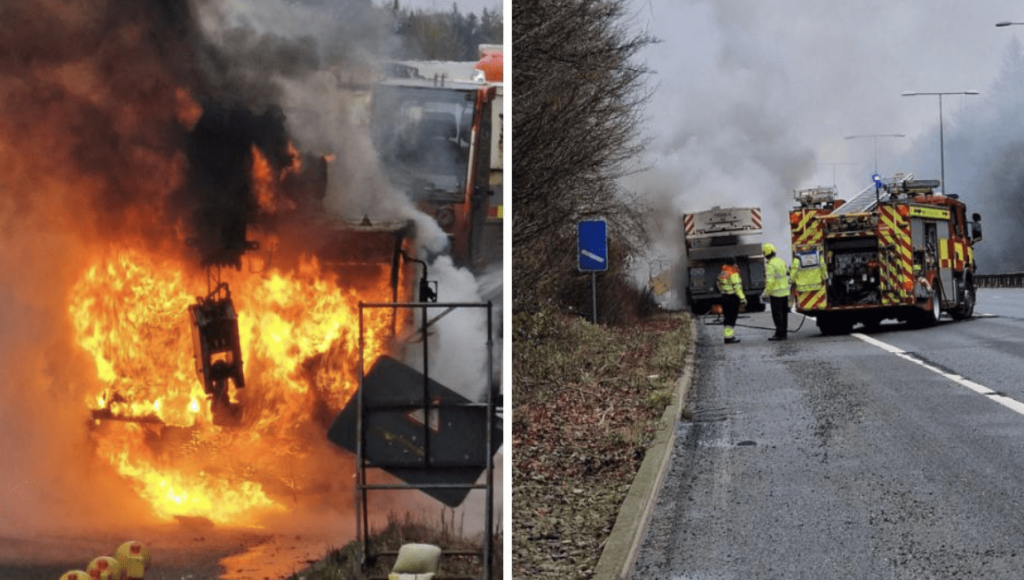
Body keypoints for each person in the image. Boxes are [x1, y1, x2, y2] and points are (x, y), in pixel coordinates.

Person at [762, 242, 791, 341]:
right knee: (784, 314)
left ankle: (780, 334)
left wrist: (766, 293)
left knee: (777, 315)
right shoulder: (781, 261)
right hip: (785, 292)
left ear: (765, 254)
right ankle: (784, 333)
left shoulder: (770, 265)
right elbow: (788, 273)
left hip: (776, 293)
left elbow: (770, 281)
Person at [717, 257, 747, 344]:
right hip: (732, 298)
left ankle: (728, 337)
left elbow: (718, 283)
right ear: (734, 264)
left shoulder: (723, 272)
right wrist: (742, 298)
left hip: (724, 297)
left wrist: (723, 291)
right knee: (732, 317)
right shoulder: (733, 273)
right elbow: (737, 287)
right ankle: (729, 338)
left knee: (727, 317)